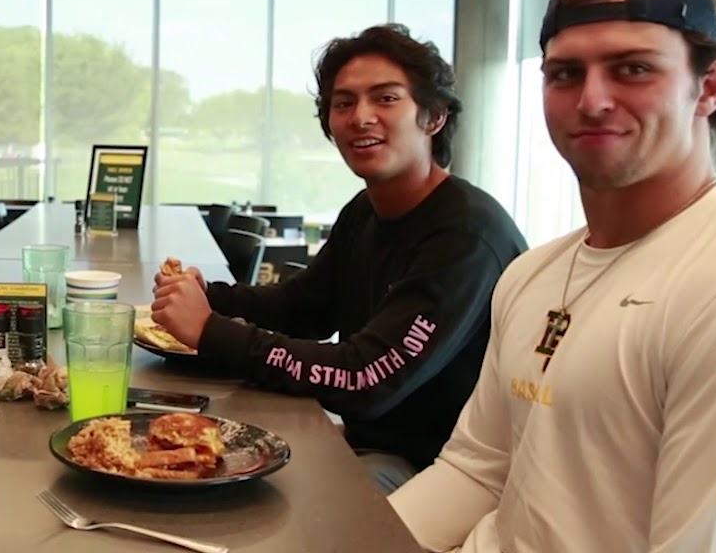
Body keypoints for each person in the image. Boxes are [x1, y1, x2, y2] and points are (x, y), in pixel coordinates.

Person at [389, 0, 716, 551]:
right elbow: (477, 471)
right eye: (566, 74)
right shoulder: (531, 274)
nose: (593, 100)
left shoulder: (711, 280)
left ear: (710, 87)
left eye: (633, 69)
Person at [152, 24, 527, 493]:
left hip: (446, 470)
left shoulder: (465, 235)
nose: (361, 117)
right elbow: (304, 308)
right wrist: (210, 298)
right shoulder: (366, 209)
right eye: (344, 103)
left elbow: (363, 378)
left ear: (433, 117)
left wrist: (210, 330)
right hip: (368, 440)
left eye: (386, 98)